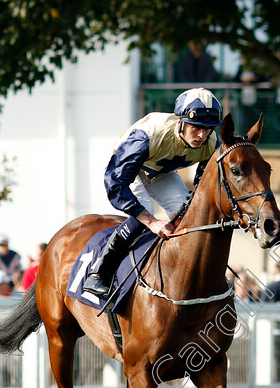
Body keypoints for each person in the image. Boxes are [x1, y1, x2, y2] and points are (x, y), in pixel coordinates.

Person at [83, 88, 223, 296]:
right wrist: (151, 221)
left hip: (161, 171)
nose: (202, 135)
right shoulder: (147, 136)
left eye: (208, 129)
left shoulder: (211, 143)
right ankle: (98, 273)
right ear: (181, 122)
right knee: (145, 212)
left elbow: (204, 182)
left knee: (190, 216)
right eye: (195, 127)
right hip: (129, 171)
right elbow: (115, 183)